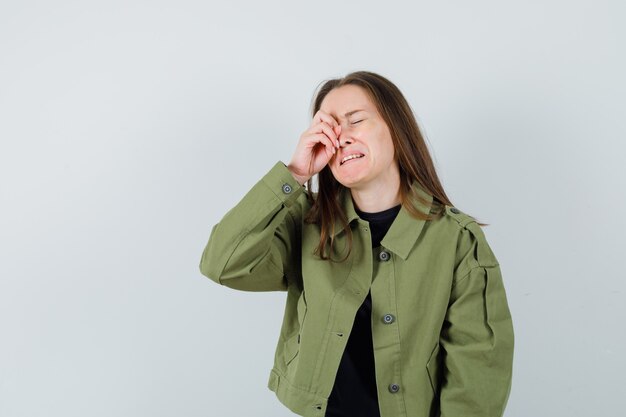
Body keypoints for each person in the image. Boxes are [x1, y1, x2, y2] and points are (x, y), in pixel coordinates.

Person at [199, 71, 514, 417]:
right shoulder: (306, 225)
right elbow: (222, 263)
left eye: (355, 121)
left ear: (396, 128)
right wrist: (294, 174)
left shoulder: (457, 240)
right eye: (329, 128)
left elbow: (477, 376)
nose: (341, 138)